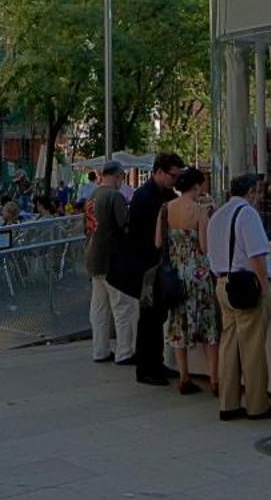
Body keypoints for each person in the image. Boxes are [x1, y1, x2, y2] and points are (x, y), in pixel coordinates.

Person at [209, 174, 271, 421]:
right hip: (245, 284)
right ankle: (257, 405)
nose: (259, 197)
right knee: (252, 347)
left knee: (229, 343)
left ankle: (228, 403)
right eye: (258, 192)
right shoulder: (247, 214)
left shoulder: (217, 215)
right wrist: (264, 286)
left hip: (222, 282)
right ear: (251, 191)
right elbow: (256, 255)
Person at [115, 150, 183, 386]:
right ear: (159, 172)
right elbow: (142, 235)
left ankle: (155, 362)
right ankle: (146, 367)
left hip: (155, 264)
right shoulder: (145, 197)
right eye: (172, 175)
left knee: (156, 317)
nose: (175, 180)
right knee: (149, 317)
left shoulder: (164, 194)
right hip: (147, 266)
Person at [160, 167, 220, 396]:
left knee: (179, 324)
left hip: (175, 274)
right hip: (199, 274)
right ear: (196, 186)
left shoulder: (165, 209)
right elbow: (205, 247)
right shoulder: (200, 211)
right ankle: (214, 378)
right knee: (208, 325)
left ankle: (184, 375)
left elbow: (158, 241)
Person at [85, 161, 138, 365]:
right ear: (117, 177)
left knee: (98, 308)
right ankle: (124, 351)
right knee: (121, 306)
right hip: (111, 259)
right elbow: (125, 225)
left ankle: (100, 350)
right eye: (121, 178)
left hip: (93, 257)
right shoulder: (115, 197)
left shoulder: (92, 196)